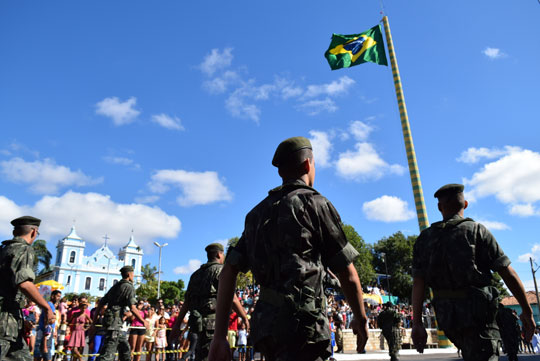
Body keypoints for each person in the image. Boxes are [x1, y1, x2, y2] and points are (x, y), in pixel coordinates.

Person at [208, 136, 369, 361]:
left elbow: (228, 272)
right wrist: (360, 318)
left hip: (267, 328)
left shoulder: (256, 214)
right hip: (304, 326)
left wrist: (219, 338)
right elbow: (347, 272)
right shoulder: (316, 204)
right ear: (308, 165)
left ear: (280, 171)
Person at [411, 183, 536, 361]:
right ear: (466, 204)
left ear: (440, 207)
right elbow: (507, 272)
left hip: (447, 318)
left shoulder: (425, 239)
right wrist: (527, 311)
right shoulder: (477, 231)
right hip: (478, 317)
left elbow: (418, 282)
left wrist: (417, 323)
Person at [170, 243, 248, 361]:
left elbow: (187, 302)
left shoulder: (195, 275)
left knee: (200, 355)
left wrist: (177, 325)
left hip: (197, 324)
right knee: (213, 355)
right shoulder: (221, 270)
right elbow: (233, 298)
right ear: (218, 254)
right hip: (213, 325)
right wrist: (245, 317)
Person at [0, 216, 55, 361]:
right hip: (4, 319)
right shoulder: (24, 250)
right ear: (33, 232)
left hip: (10, 319)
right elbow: (24, 283)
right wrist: (46, 307)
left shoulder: (4, 250)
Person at [94, 265, 148, 361]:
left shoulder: (115, 286)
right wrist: (143, 321)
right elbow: (132, 307)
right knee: (108, 353)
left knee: (125, 349)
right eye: (132, 274)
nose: (133, 276)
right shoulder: (128, 286)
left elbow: (102, 302)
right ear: (128, 274)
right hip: (114, 322)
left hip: (112, 321)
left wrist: (94, 320)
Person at [34, 290, 62, 361]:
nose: (59, 298)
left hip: (44, 330)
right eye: (58, 296)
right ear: (52, 296)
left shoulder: (49, 305)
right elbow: (48, 319)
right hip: (46, 331)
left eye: (60, 297)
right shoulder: (50, 305)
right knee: (46, 351)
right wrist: (46, 334)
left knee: (40, 353)